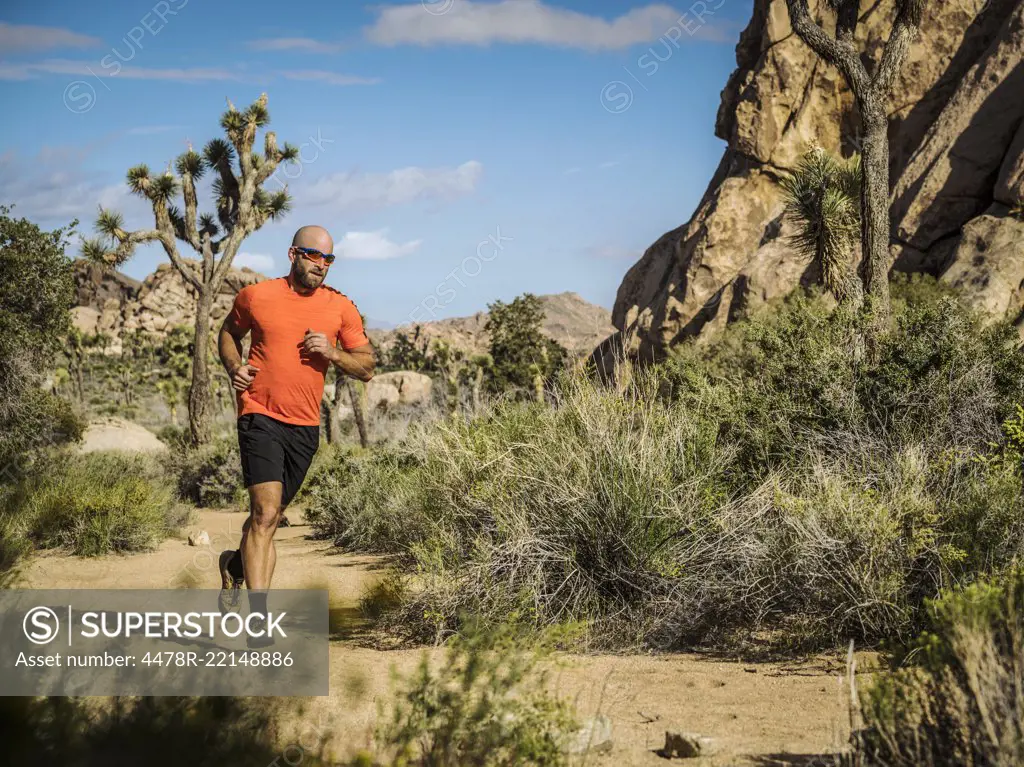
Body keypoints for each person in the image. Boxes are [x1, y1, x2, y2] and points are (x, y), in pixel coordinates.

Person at [217, 225, 375, 644]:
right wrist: (234, 366)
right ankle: (258, 625)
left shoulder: (341, 308)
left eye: (328, 259)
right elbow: (228, 333)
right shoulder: (257, 296)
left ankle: (234, 567)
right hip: (259, 414)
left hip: (305, 426)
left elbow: (367, 367)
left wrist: (333, 352)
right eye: (312, 255)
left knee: (266, 521)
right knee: (266, 515)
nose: (320, 265)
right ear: (293, 254)